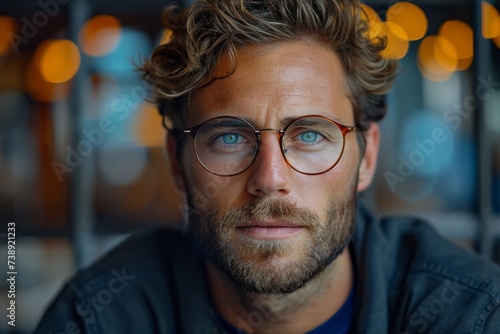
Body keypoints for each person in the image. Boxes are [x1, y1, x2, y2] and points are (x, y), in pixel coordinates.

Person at [35, 0, 500, 333]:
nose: (270, 179)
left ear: (367, 157)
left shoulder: (469, 313)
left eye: (311, 135)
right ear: (178, 163)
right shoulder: (99, 316)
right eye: (230, 138)